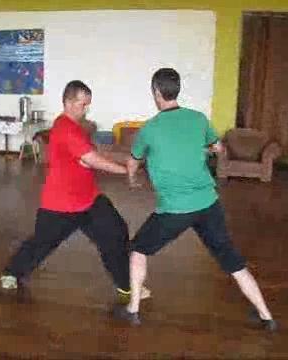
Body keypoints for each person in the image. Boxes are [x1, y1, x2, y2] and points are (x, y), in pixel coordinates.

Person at [114, 68, 277, 330]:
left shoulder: (150, 129)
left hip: (174, 210)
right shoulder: (199, 119)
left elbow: (132, 163)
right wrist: (204, 149)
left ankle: (133, 309)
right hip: (208, 204)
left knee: (139, 249)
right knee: (232, 260)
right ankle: (266, 315)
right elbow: (219, 148)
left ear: (156, 92)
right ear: (177, 90)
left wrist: (132, 180)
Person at [1, 80, 149, 302]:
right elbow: (91, 159)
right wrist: (125, 171)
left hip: (88, 199)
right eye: (82, 104)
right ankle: (12, 273)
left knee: (115, 232)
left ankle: (126, 285)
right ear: (68, 102)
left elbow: (89, 159)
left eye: (88, 104)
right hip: (61, 204)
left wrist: (123, 163)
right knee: (42, 242)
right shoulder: (65, 128)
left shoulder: (76, 129)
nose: (86, 109)